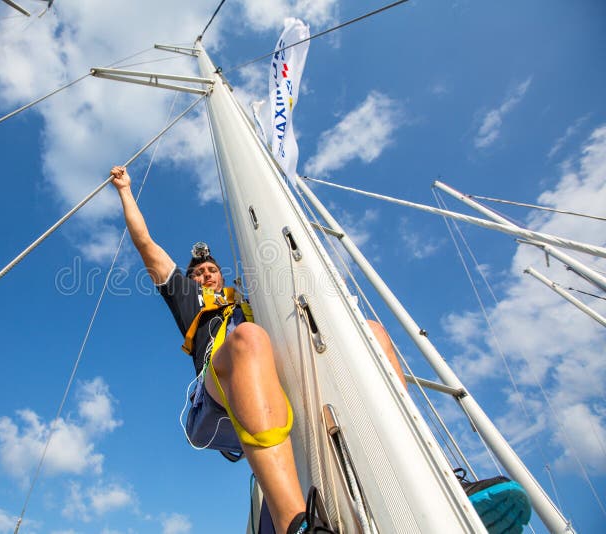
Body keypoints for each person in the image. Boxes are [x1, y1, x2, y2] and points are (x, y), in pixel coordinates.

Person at [110, 165, 531, 534]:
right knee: (248, 339)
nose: (204, 274)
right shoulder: (187, 299)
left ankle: (433, 482)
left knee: (370, 332)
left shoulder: (252, 299)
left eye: (211, 270)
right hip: (219, 392)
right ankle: (298, 523)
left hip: (273, 376)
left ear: (221, 274)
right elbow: (146, 243)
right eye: (198, 272)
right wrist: (127, 190)